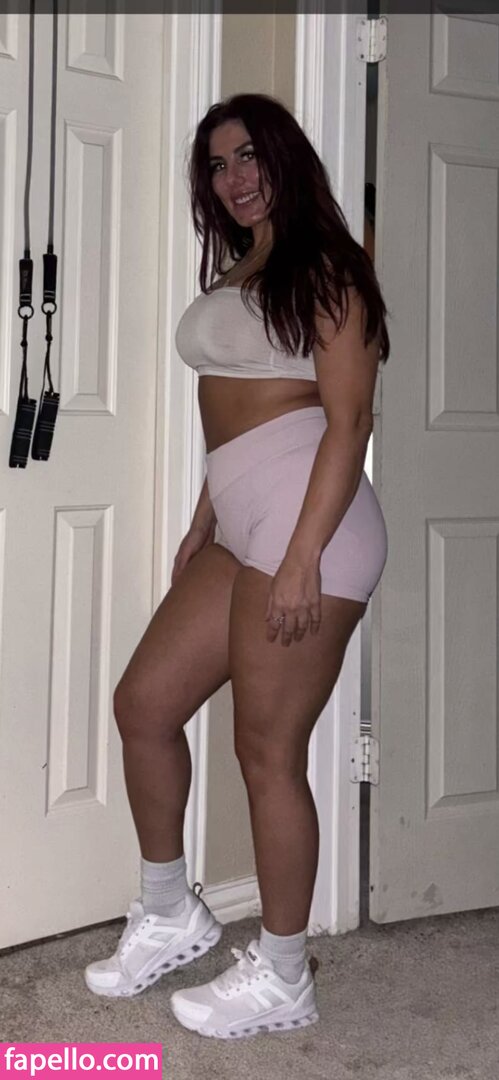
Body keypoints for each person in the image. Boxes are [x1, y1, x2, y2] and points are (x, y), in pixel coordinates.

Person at [85, 92, 390, 1040]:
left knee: (265, 753)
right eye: (217, 165)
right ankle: (169, 911)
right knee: (143, 706)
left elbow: (347, 421)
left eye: (249, 155)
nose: (234, 178)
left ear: (285, 157)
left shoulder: (328, 265)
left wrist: (300, 557)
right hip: (242, 524)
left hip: (314, 529)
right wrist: (202, 519)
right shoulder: (244, 265)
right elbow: (236, 412)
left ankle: (285, 973)